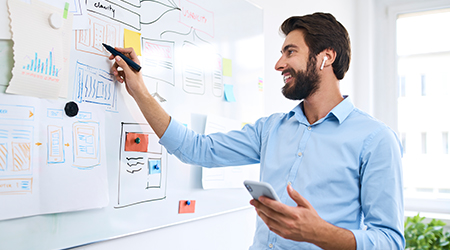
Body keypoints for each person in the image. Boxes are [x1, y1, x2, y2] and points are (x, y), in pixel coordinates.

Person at [109, 12, 404, 250]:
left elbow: (390, 241)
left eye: (290, 52)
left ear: (326, 57)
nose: (279, 64)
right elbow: (195, 148)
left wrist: (320, 234)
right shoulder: (271, 128)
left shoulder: (375, 140)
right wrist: (139, 90)